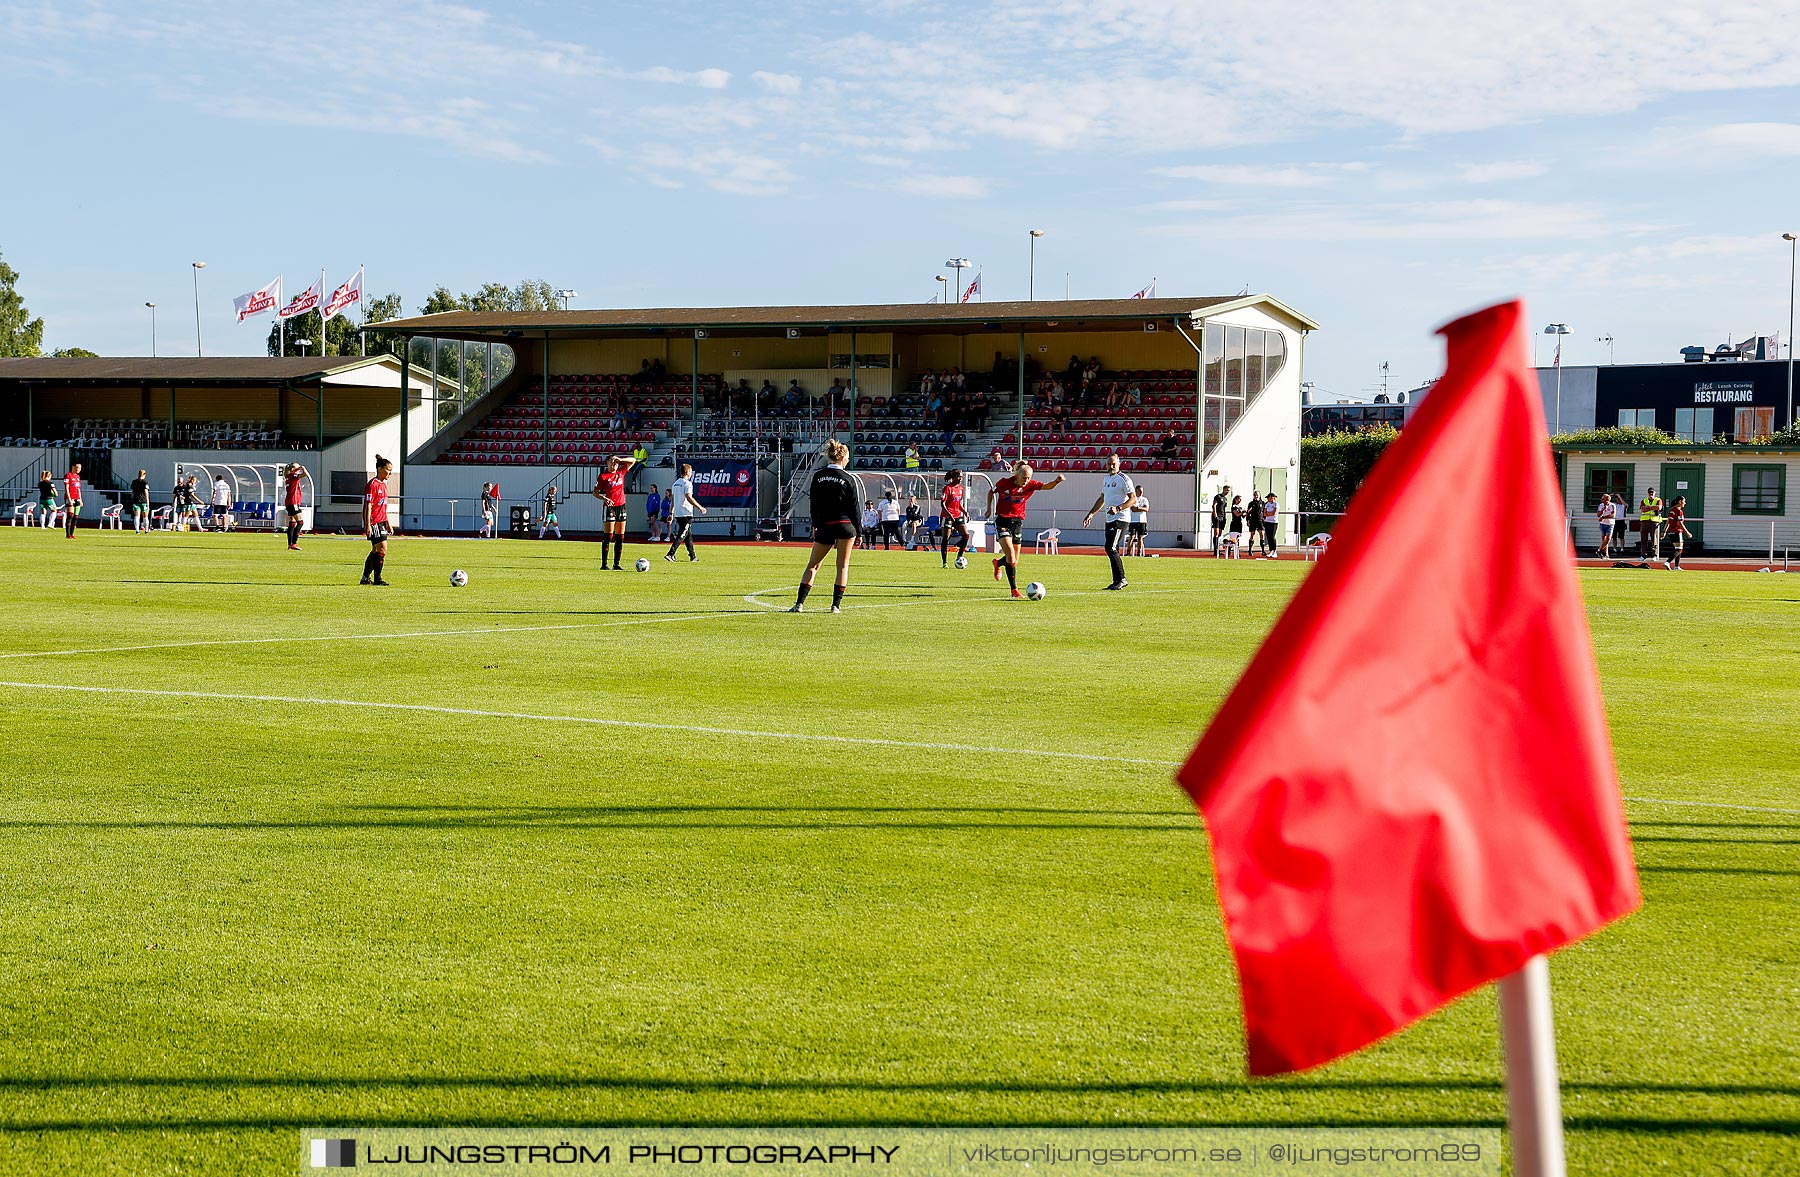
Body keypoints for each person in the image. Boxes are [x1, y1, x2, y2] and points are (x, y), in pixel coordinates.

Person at [788, 439, 860, 613]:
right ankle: (835, 606)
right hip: (845, 525)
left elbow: (814, 503)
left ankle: (799, 604)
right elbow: (854, 508)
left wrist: (815, 523)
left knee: (813, 565)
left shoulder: (818, 476)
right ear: (842, 458)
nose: (848, 460)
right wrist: (859, 531)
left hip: (825, 525)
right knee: (842, 566)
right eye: (848, 457)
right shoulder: (848, 478)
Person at [986, 460, 1066, 598]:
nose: (1026, 481)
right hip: (1002, 521)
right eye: (1024, 478)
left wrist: (1057, 481)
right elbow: (991, 492)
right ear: (1017, 475)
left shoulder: (1031, 485)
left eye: (1029, 478)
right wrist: (988, 509)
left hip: (1017, 522)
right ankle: (1014, 590)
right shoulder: (1004, 482)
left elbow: (1047, 486)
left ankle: (998, 563)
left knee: (1014, 560)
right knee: (1010, 554)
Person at [1082, 452, 1138, 590]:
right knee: (1112, 548)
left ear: (1119, 464)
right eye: (1109, 464)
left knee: (1110, 547)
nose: (1111, 466)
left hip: (1121, 518)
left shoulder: (1124, 479)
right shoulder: (1106, 479)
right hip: (1109, 519)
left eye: (1114, 464)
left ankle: (1122, 579)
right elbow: (1102, 499)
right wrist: (1091, 514)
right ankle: (1116, 581)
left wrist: (1118, 508)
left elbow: (1133, 499)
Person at [591, 453, 636, 569]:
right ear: (607, 462)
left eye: (616, 462)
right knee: (608, 536)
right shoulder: (603, 476)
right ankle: (604, 564)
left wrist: (621, 459)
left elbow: (633, 460)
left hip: (621, 506)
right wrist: (604, 498)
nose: (615, 464)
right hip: (609, 506)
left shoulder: (620, 472)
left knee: (620, 537)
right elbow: (595, 492)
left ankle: (616, 564)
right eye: (612, 461)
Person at [360, 456, 395, 585]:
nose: (390, 473)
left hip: (381, 522)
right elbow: (368, 505)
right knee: (382, 549)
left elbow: (383, 507)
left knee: (376, 550)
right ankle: (378, 579)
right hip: (374, 521)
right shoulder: (372, 484)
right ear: (380, 469)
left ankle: (365, 578)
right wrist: (368, 524)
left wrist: (388, 523)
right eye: (388, 470)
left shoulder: (383, 485)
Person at [664, 462, 706, 561]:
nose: (691, 473)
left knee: (688, 535)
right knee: (682, 534)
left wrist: (671, 513)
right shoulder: (687, 484)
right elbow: (689, 497)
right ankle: (671, 553)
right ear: (687, 472)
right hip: (686, 513)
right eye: (691, 471)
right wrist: (700, 507)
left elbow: (673, 501)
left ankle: (693, 556)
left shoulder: (675, 484)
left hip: (678, 513)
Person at [939, 469, 970, 568]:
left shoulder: (961, 488)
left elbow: (958, 504)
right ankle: (944, 563)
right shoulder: (947, 488)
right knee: (946, 539)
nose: (960, 479)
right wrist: (949, 514)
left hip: (957, 515)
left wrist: (965, 512)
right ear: (954, 477)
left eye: (961, 477)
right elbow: (942, 504)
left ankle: (959, 557)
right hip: (947, 516)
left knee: (966, 536)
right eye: (959, 477)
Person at [282, 463, 308, 549]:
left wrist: (297, 469)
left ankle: (290, 544)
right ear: (294, 468)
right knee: (300, 522)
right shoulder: (293, 475)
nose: (299, 467)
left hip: (289, 502)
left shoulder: (288, 476)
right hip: (293, 502)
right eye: (298, 466)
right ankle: (294, 543)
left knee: (292, 523)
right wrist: (303, 468)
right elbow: (305, 474)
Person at [1665, 495, 1690, 570]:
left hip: (1670, 532)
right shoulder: (1679, 511)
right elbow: (1680, 523)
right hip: (1677, 531)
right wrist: (1687, 532)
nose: (1685, 503)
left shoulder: (1671, 510)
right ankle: (1668, 562)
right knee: (1679, 549)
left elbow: (1668, 522)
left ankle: (1676, 566)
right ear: (1680, 501)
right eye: (1684, 501)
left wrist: (1664, 531)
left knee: (1677, 548)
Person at [1638, 489, 1663, 561]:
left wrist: (1648, 507)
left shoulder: (1658, 500)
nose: (1651, 494)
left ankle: (1654, 555)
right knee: (1643, 539)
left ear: (1654, 493)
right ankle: (1643, 555)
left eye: (1652, 492)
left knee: (1654, 539)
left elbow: (1659, 507)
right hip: (1644, 521)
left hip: (1654, 521)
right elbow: (1643, 509)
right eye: (1649, 492)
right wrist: (1652, 507)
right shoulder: (1644, 500)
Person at [62, 463, 84, 538]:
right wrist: (69, 499)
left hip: (77, 497)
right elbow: (67, 488)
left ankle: (72, 534)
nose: (79, 469)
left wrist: (80, 499)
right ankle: (68, 535)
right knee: (70, 515)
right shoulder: (68, 475)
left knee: (76, 516)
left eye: (80, 468)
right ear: (73, 467)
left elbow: (78, 489)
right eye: (77, 468)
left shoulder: (78, 477)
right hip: (70, 497)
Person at [1128, 483, 1150, 556]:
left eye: (1142, 491)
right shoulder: (1133, 499)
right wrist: (1141, 509)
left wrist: (1138, 508)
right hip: (1133, 521)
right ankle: (1128, 552)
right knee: (1132, 536)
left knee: (1140, 537)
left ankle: (1139, 552)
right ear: (1136, 491)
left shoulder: (1144, 499)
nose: (1141, 493)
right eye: (1139, 491)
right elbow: (1133, 509)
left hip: (1142, 521)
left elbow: (1146, 509)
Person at [128, 468, 151, 534]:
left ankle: (137, 530)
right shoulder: (145, 482)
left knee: (136, 516)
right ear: (144, 474)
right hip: (143, 501)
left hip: (136, 501)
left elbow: (132, 492)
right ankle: (146, 530)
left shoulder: (134, 482)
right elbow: (146, 492)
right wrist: (148, 501)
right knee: (145, 516)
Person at [1210, 484, 1230, 556]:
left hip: (1222, 517)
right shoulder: (1218, 496)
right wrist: (1215, 514)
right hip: (1217, 516)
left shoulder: (1225, 499)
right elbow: (1214, 505)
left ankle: (1218, 549)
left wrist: (1225, 517)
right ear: (1224, 489)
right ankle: (1215, 550)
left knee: (1220, 534)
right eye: (1227, 490)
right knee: (1216, 533)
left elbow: (1224, 509)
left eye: (1229, 491)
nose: (1228, 492)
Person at [1596, 492, 1616, 560]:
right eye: (1602, 499)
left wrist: (1604, 517)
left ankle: (1599, 550)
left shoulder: (1612, 505)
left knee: (1608, 538)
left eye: (1604, 499)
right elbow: (1598, 515)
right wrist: (1602, 510)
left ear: (1608, 500)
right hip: (1602, 524)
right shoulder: (1601, 505)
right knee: (1604, 540)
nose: (1603, 501)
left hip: (1610, 524)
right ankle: (1605, 554)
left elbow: (1613, 515)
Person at [1261, 491, 1280, 558]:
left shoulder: (1276, 504)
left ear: (1272, 498)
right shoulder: (1267, 504)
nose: (1268, 499)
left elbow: (1274, 513)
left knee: (1272, 536)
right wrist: (1269, 513)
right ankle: (1271, 550)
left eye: (1269, 498)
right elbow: (1264, 513)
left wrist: (1268, 513)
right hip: (1267, 522)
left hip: (1274, 522)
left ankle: (1274, 551)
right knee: (1268, 537)